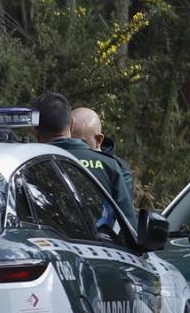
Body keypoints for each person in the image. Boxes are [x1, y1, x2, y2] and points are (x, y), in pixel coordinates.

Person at [30, 92, 138, 226]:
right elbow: (129, 225)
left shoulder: (27, 164)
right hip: (100, 246)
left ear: (34, 129)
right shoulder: (109, 166)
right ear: (71, 124)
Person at [69, 106, 137, 224]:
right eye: (70, 141)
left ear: (99, 140)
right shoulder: (59, 157)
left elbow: (125, 220)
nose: (75, 148)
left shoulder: (118, 169)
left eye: (81, 143)